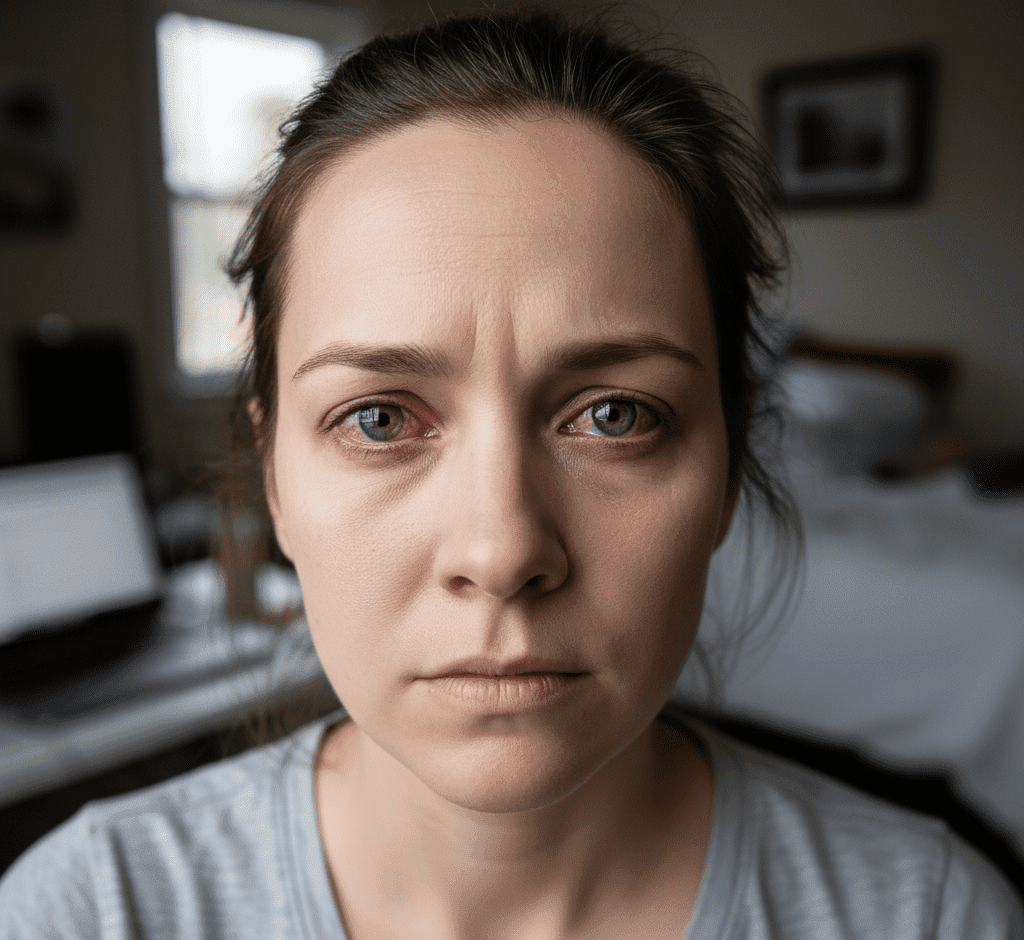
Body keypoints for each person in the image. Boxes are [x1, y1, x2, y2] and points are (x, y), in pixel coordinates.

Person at [1, 6, 1021, 938]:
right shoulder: (89, 911)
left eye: (615, 415)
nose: (503, 551)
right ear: (273, 479)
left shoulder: (934, 917)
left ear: (726, 467)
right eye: (378, 418)